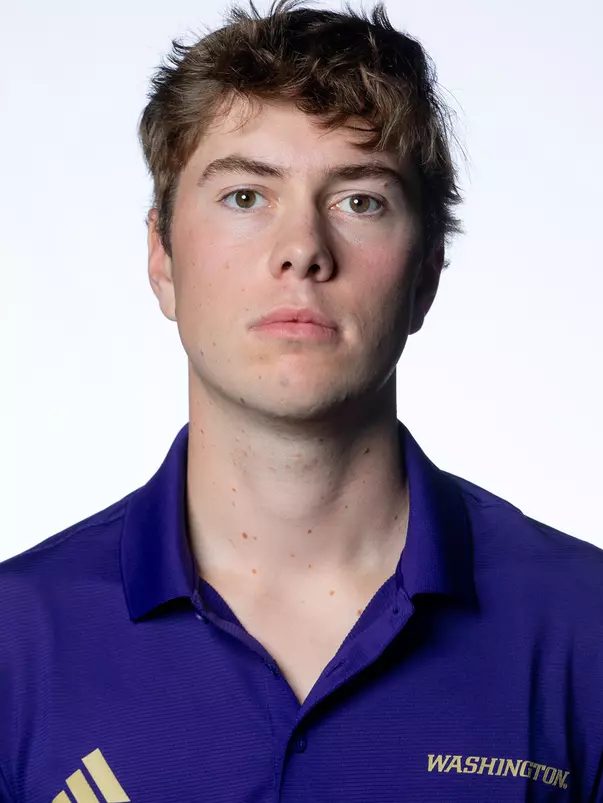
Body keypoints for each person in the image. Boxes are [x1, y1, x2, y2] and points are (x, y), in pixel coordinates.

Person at [1, 0, 602, 800]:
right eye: (245, 196)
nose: (302, 251)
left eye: (360, 200)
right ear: (162, 259)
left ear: (425, 275)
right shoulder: (16, 642)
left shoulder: (583, 626)